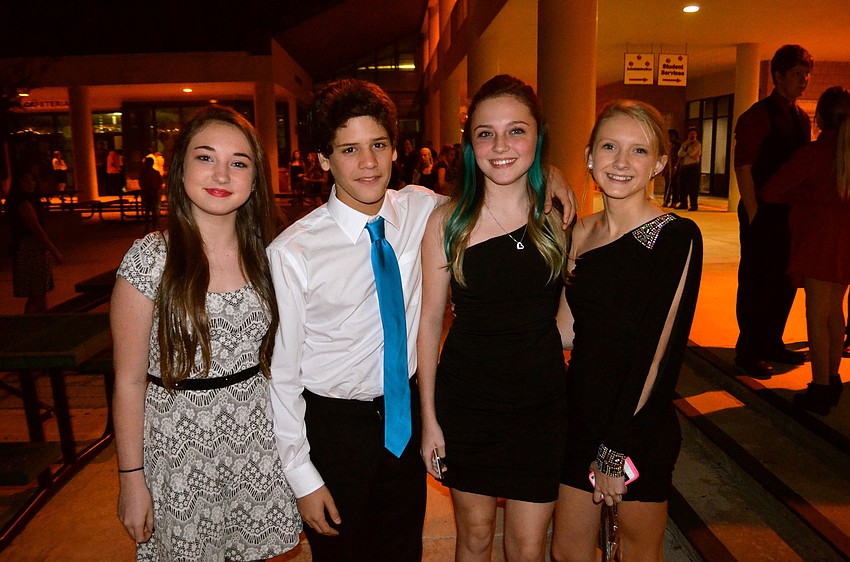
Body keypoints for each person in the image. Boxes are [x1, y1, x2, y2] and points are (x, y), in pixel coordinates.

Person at [267, 78, 577, 562]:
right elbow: (282, 376)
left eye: (379, 145)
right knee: (343, 553)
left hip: (402, 417)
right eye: (349, 149)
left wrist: (551, 172)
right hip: (335, 425)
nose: (368, 163)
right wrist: (301, 474)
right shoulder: (293, 252)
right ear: (324, 159)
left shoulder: (422, 208)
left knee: (404, 547)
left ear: (396, 149)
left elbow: (504, 174)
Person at [111, 105, 301, 561]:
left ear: (254, 180)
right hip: (179, 450)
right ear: (179, 170)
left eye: (239, 162)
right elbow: (128, 381)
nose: (221, 173)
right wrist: (130, 479)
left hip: (258, 444)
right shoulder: (149, 260)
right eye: (205, 157)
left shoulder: (272, 258)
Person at [418, 74, 568, 562]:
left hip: (540, 405)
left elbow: (572, 319)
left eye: (516, 131)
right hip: (467, 402)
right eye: (486, 133)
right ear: (469, 144)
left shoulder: (559, 215)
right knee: (475, 537)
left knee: (527, 548)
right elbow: (428, 324)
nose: (501, 145)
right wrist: (430, 420)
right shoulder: (447, 221)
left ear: (537, 138)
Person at [551, 100, 702, 561]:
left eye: (639, 152)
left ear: (659, 164)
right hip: (580, 414)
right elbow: (564, 332)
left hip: (637, 422)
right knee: (567, 552)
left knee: (637, 553)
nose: (621, 162)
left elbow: (659, 351)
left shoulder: (675, 235)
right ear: (589, 156)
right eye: (610, 147)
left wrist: (615, 449)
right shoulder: (577, 233)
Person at [761, 86, 850, 415]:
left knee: (816, 313)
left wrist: (805, 199)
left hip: (818, 241)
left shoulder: (814, 154)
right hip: (846, 242)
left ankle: (821, 387)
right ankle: (833, 376)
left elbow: (772, 190)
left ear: (821, 118)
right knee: (835, 311)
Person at [733, 44, 814, 379]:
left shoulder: (798, 116)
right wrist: (754, 212)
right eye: (797, 74)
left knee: (784, 281)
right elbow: (743, 165)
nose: (804, 81)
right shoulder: (758, 115)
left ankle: (771, 341)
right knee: (757, 281)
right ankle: (749, 350)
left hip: (788, 212)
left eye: (806, 74)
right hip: (763, 209)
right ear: (777, 75)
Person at [6, 167, 63, 314]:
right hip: (29, 249)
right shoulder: (23, 204)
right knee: (36, 293)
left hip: (34, 249)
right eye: (25, 180)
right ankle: (31, 322)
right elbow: (36, 230)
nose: (30, 184)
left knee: (40, 292)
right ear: (18, 183)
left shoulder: (30, 201)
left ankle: (41, 321)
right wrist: (55, 251)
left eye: (32, 180)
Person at [676, 126, 701, 210]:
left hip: (693, 167)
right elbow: (679, 153)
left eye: (694, 134)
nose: (692, 135)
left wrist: (686, 150)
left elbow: (693, 154)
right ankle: (683, 203)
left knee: (693, 187)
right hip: (684, 167)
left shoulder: (697, 144)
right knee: (682, 186)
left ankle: (694, 205)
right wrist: (686, 146)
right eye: (691, 134)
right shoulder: (684, 144)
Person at [137, 156, 163, 233]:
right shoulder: (145, 173)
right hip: (148, 192)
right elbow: (141, 183)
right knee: (149, 210)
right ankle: (149, 226)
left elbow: (159, 182)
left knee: (153, 210)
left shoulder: (154, 173)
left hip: (152, 192)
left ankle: (153, 226)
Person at [662, 129, 681, 207]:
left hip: (674, 166)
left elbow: (679, 157)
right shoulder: (667, 145)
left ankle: (674, 201)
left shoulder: (677, 146)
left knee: (674, 185)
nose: (670, 137)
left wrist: (675, 166)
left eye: (671, 136)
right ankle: (666, 200)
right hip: (667, 167)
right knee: (667, 184)